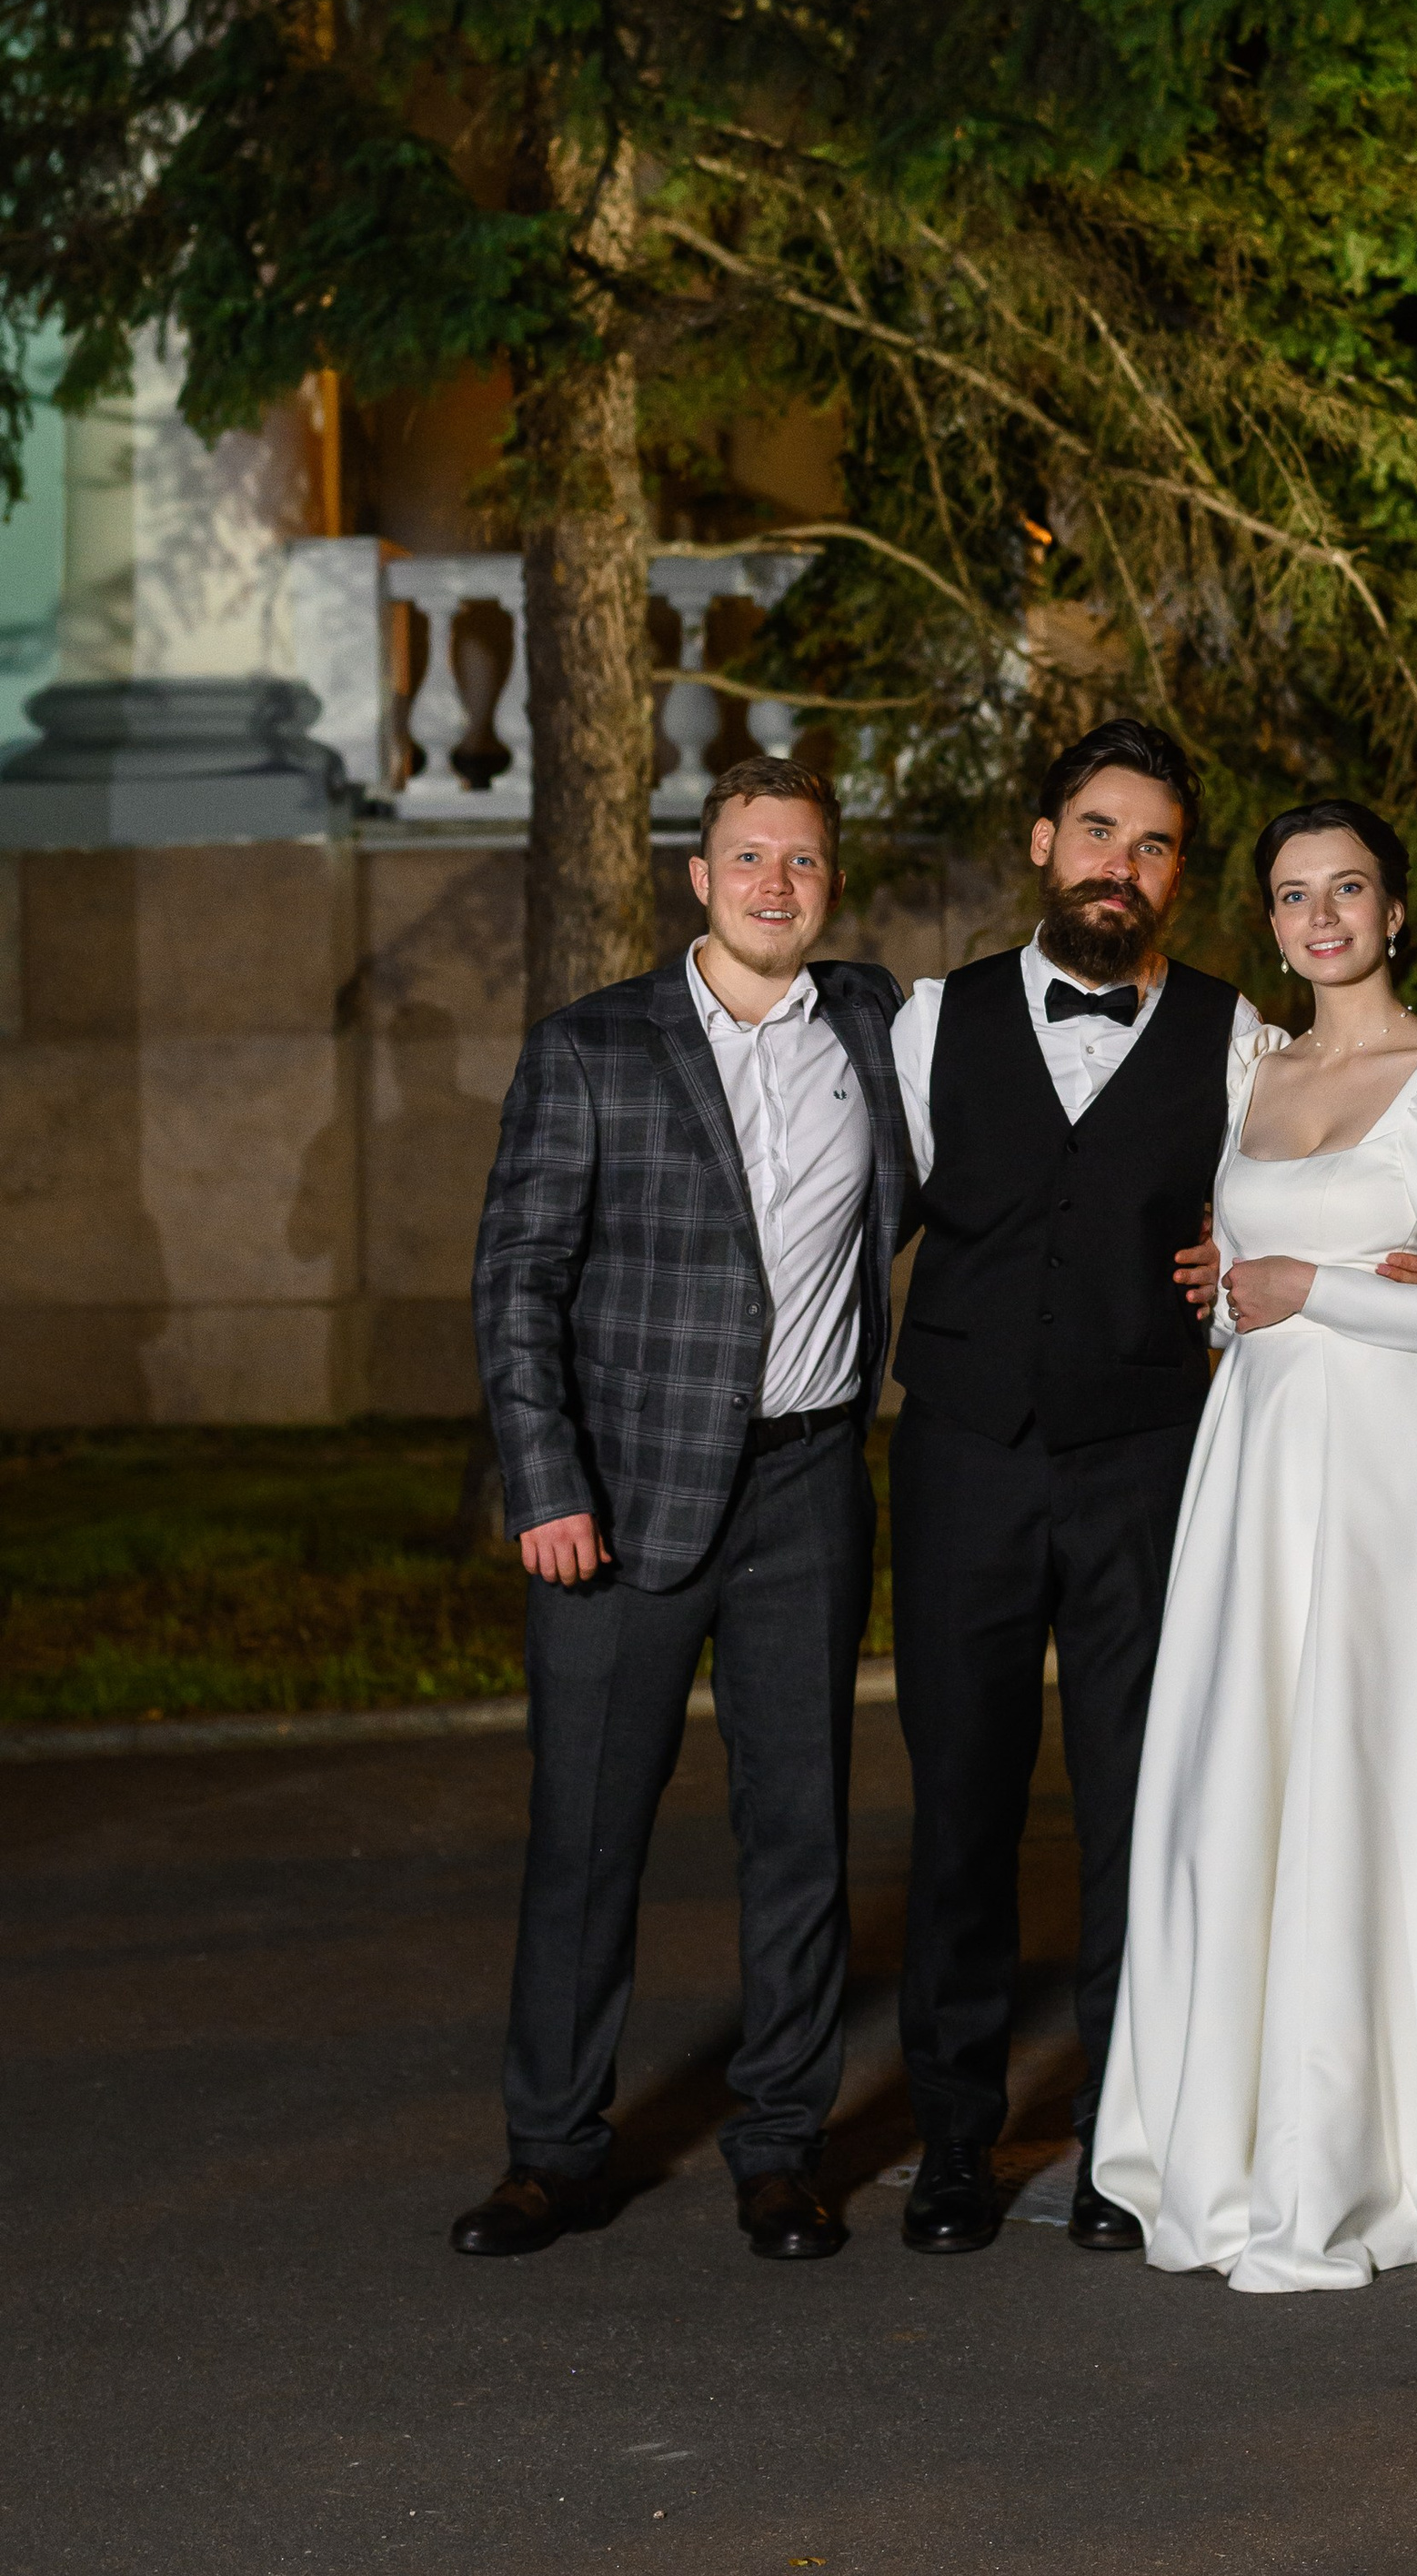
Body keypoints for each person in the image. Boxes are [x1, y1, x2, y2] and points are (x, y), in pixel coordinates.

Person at [1092, 800, 1417, 2290]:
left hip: (1391, 1477)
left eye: (1349, 891)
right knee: (1245, 1775)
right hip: (1253, 1460)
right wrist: (1234, 1282)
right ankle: (1242, 2136)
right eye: (1296, 895)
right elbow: (1237, 1266)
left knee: (1390, 1778)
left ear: (1394, 911)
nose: (1322, 918)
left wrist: (1323, 1286)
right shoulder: (1257, 1064)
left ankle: (1412, 2148)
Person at [454, 756, 913, 2266]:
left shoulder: (875, 1029)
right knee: (587, 1836)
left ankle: (781, 2149)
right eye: (749, 859)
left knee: (801, 1834)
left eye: (803, 860)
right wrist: (547, 1485)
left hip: (807, 1484)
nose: (777, 883)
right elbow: (516, 1281)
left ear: (826, 883)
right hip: (622, 1498)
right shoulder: (593, 1047)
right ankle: (553, 2153)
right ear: (698, 878)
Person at [886, 718, 1254, 2256]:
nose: (1123, 864)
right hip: (962, 1456)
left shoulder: (1240, 1042)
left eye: (1155, 844)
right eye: (1099, 831)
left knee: (1137, 1810)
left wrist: (1236, 1281)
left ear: (1177, 879)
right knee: (960, 1810)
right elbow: (857, 1220)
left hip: (1146, 1461)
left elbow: (1292, 1225)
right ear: (1044, 844)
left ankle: (1126, 2147)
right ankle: (957, 2144)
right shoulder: (926, 1023)